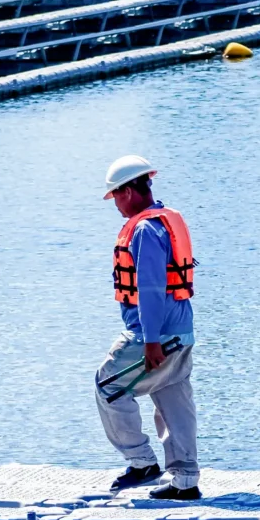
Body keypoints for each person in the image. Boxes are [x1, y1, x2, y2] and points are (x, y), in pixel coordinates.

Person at [95, 154, 200, 500]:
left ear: (128, 191)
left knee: (108, 386)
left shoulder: (144, 229)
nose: (116, 205)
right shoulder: (165, 220)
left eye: (115, 197)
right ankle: (185, 480)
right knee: (172, 395)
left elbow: (151, 289)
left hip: (153, 334)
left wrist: (150, 341)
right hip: (181, 331)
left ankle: (141, 462)